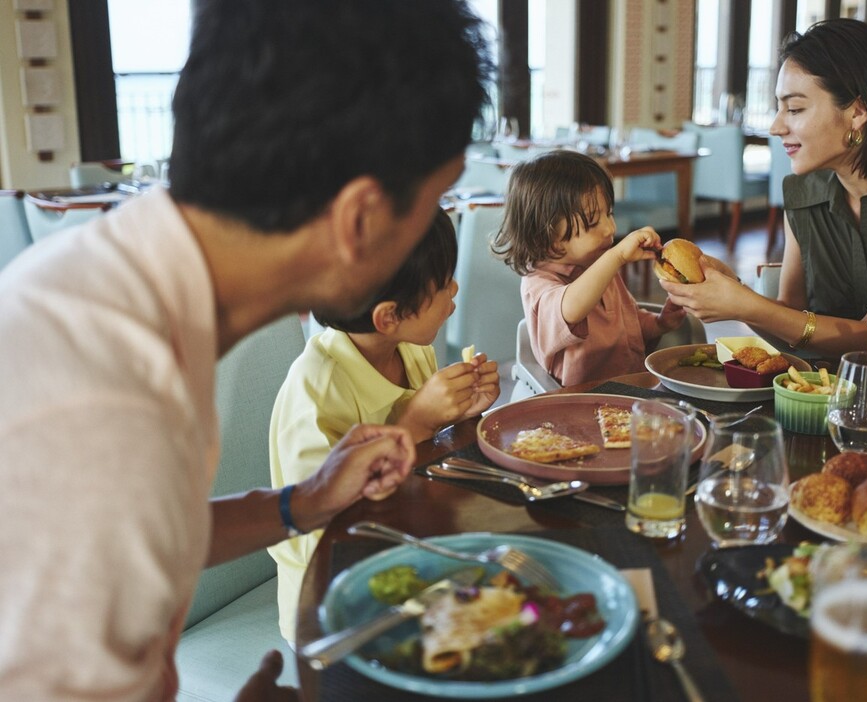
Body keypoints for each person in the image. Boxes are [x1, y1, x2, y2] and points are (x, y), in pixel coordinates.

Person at [0, 1, 491, 700]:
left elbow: (145, 532)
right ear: (360, 218)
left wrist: (302, 502)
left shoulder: (132, 281)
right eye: (435, 201)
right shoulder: (104, 394)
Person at [661, 19, 867, 355]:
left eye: (794, 108)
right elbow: (791, 328)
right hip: (822, 399)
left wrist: (745, 305)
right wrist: (735, 291)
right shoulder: (804, 192)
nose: (776, 126)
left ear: (859, 111)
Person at [268, 207, 500, 642]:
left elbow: (426, 460)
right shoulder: (318, 390)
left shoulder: (411, 350)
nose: (455, 287)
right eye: (442, 283)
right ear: (388, 316)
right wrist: (415, 422)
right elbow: (319, 524)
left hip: (407, 550)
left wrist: (458, 414)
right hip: (331, 599)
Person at [492, 150, 688, 386]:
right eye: (593, 221)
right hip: (577, 404)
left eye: (609, 213)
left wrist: (660, 324)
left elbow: (628, 324)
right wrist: (615, 257)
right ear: (544, 235)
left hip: (631, 391)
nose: (609, 228)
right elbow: (571, 309)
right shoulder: (538, 283)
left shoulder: (598, 264)